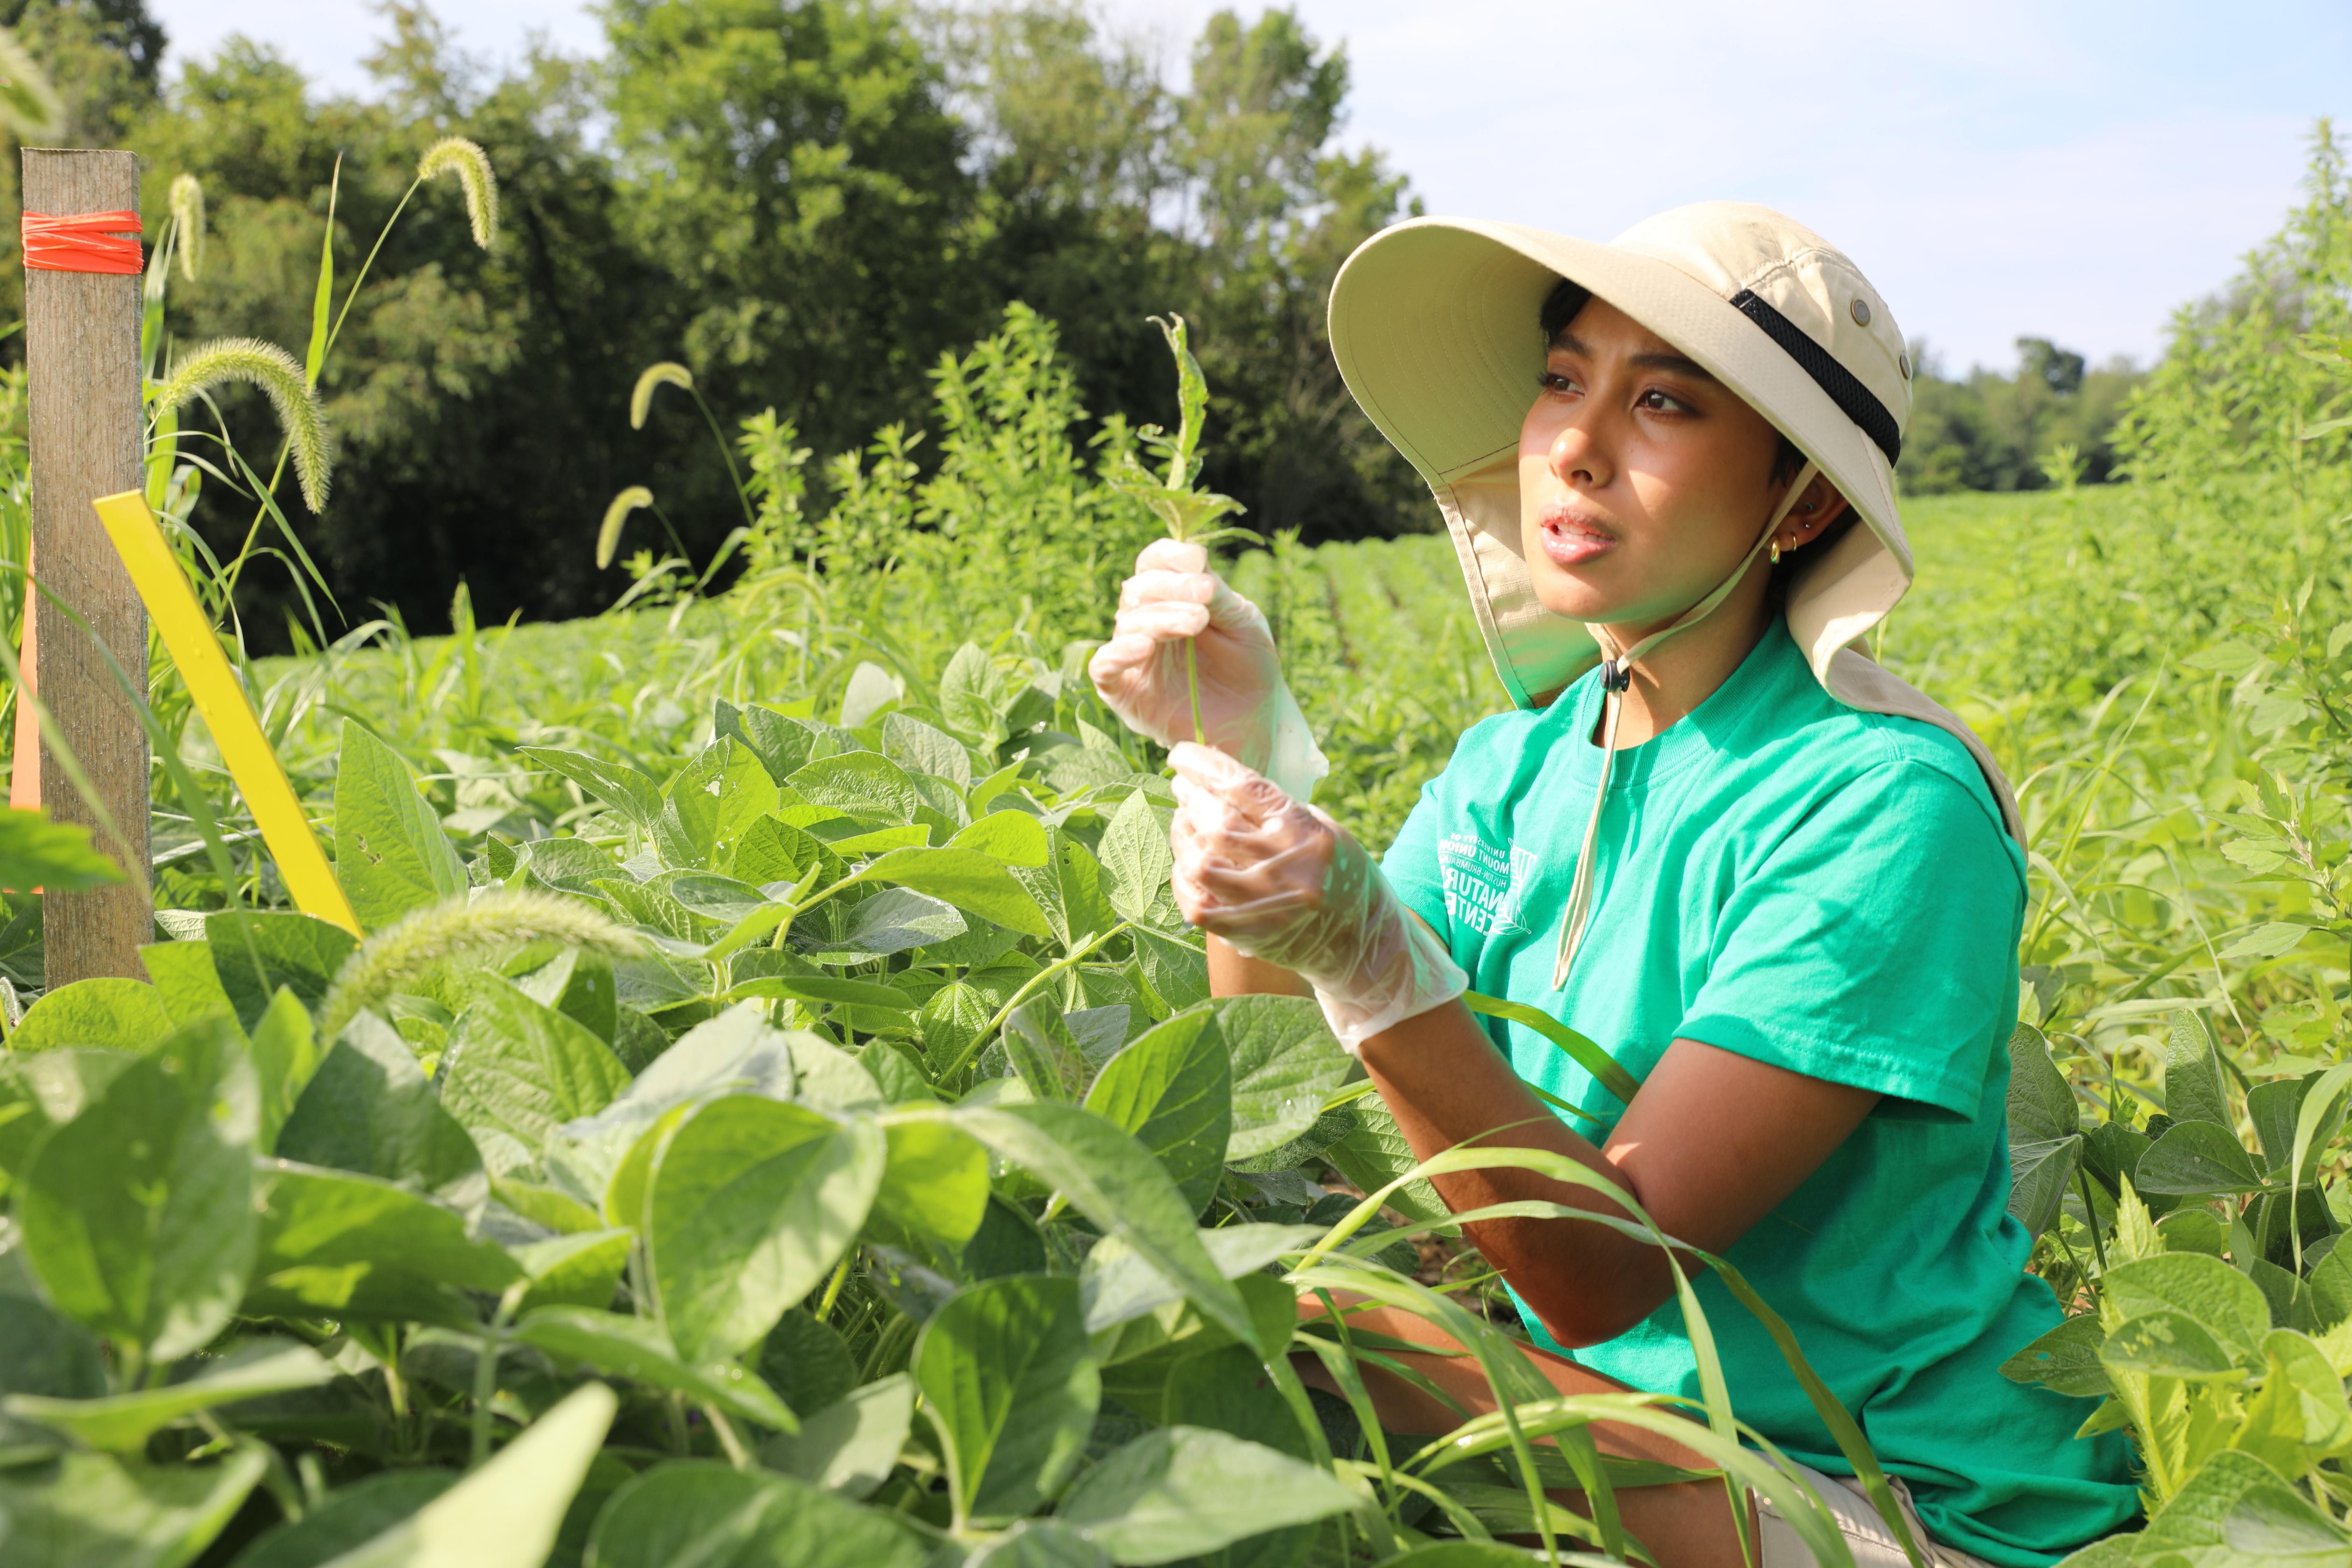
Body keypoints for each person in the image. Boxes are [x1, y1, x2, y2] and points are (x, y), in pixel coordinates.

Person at [1090, 204, 2140, 1568]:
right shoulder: (1512, 769)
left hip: (1891, 1499)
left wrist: (1371, 962)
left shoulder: (1885, 804)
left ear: (1803, 498)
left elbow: (1603, 1272)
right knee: (1235, 1304)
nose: (1576, 446)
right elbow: (1275, 1075)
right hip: (1645, 1436)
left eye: (1663, 400)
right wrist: (1240, 761)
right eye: (1563, 379)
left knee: (1267, 1321)